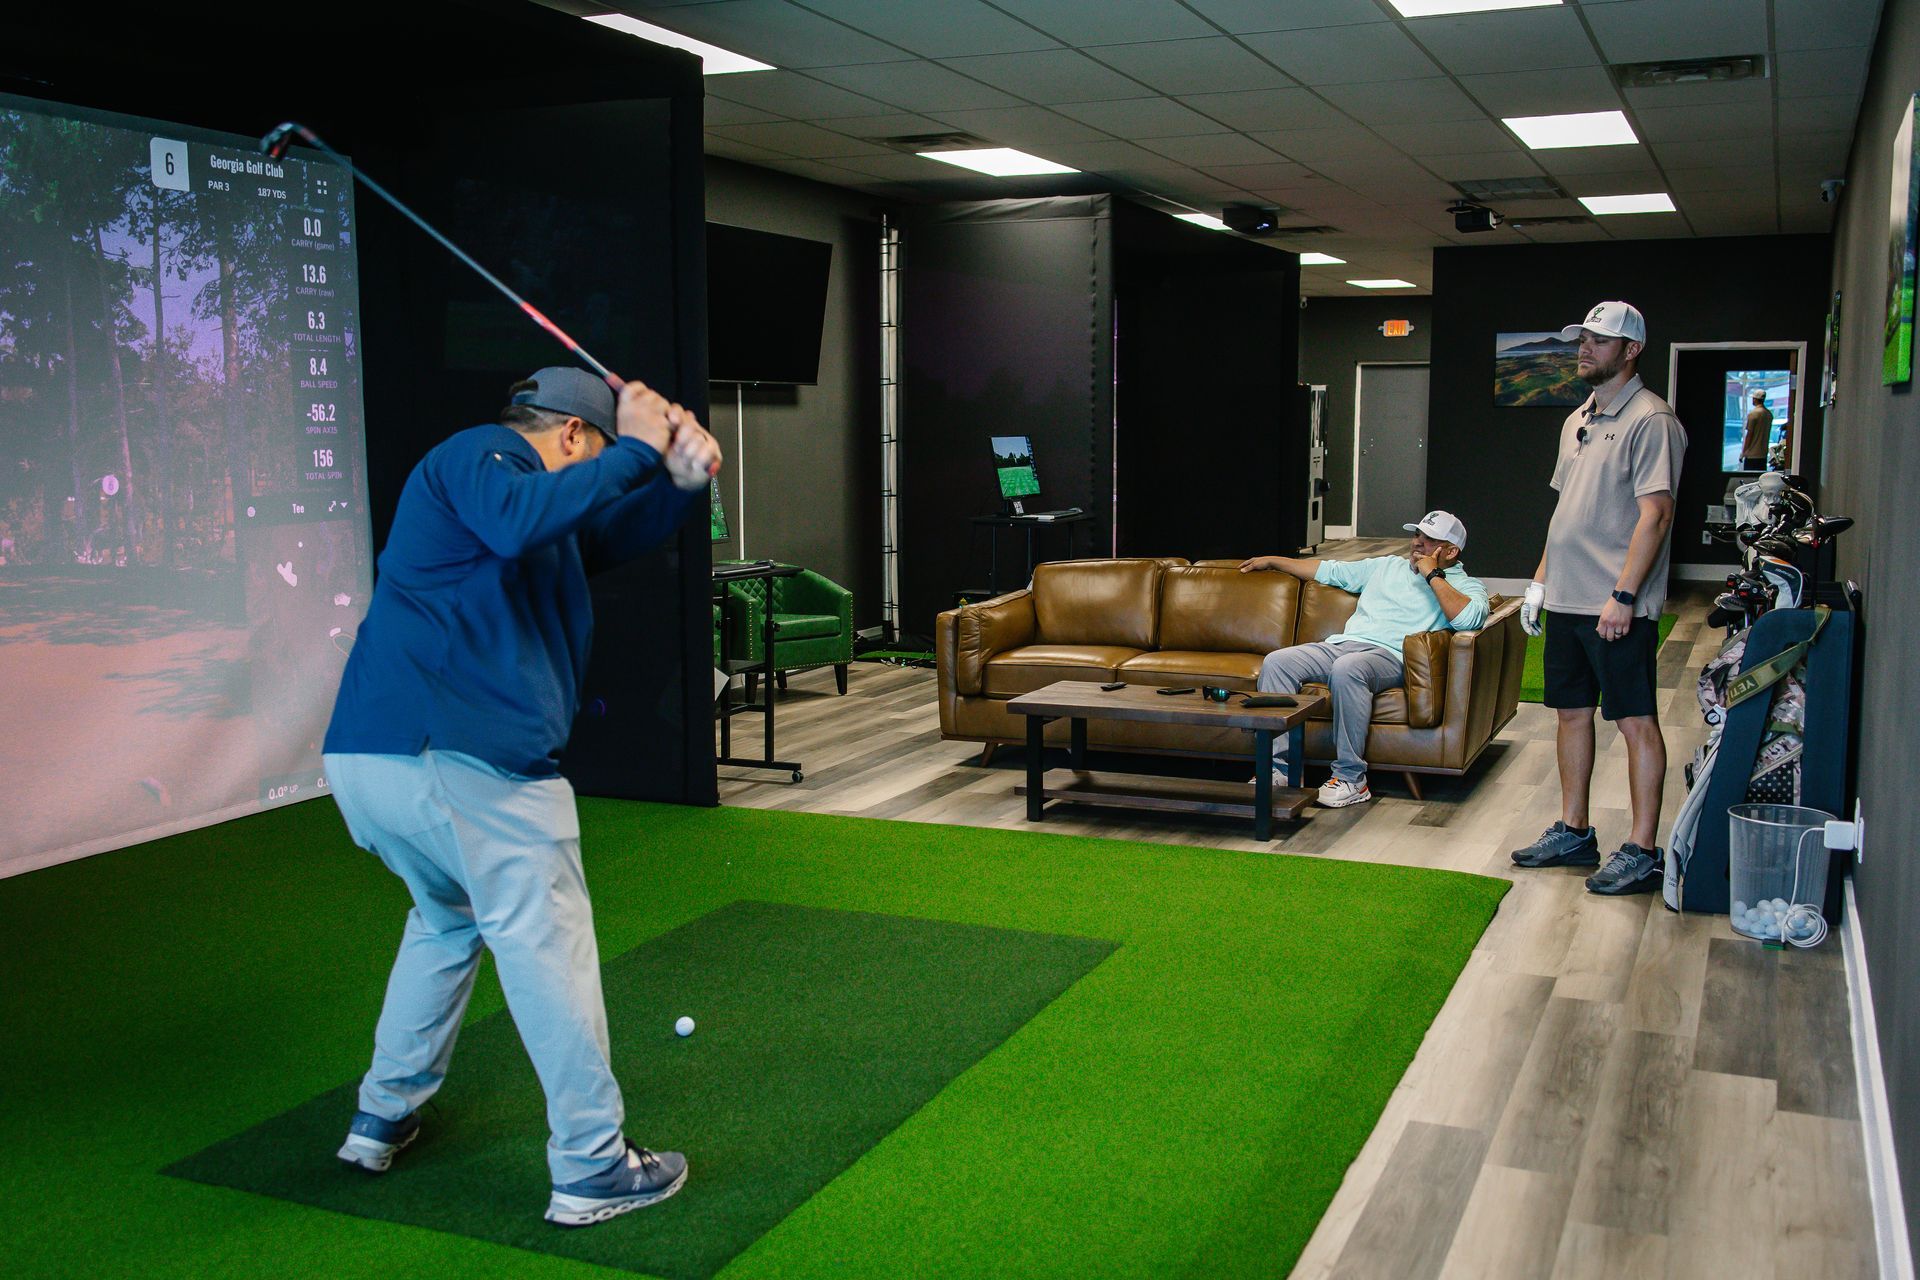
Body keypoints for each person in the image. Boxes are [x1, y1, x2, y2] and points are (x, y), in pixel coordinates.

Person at [321, 366, 722, 1227]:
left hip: (381, 766)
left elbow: (607, 531)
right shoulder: (482, 456)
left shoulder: (536, 514)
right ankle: (591, 1167)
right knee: (549, 949)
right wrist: (642, 445)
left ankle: (381, 1114)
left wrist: (680, 477)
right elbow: (521, 518)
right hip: (461, 762)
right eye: (603, 452)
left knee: (447, 920)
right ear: (572, 438)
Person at [1512, 301, 1687, 895]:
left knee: (1635, 720)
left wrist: (1624, 595)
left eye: (1599, 340)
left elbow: (1656, 516)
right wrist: (1540, 580)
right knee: (1570, 714)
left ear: (1631, 349)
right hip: (1566, 597)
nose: (1584, 348)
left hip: (1616, 606)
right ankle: (1574, 830)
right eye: (1582, 339)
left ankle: (1641, 849)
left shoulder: (1652, 419)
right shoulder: (1578, 418)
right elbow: (1564, 513)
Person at [1239, 511, 1488, 807]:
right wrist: (1273, 561)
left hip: (1392, 656)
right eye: (1417, 536)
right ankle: (1278, 771)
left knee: (1348, 668)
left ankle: (1351, 779)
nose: (1418, 544)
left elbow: (1469, 619)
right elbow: (1327, 570)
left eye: (1429, 539)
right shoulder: (1385, 566)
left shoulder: (1466, 585)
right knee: (1278, 662)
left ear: (1450, 551)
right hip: (1344, 644)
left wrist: (1432, 574)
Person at [1740, 388, 1773, 471]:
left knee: (1749, 480)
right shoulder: (1768, 414)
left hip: (1752, 455)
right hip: (1763, 454)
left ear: (1754, 399)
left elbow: (1750, 434)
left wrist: (1743, 452)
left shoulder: (1753, 414)